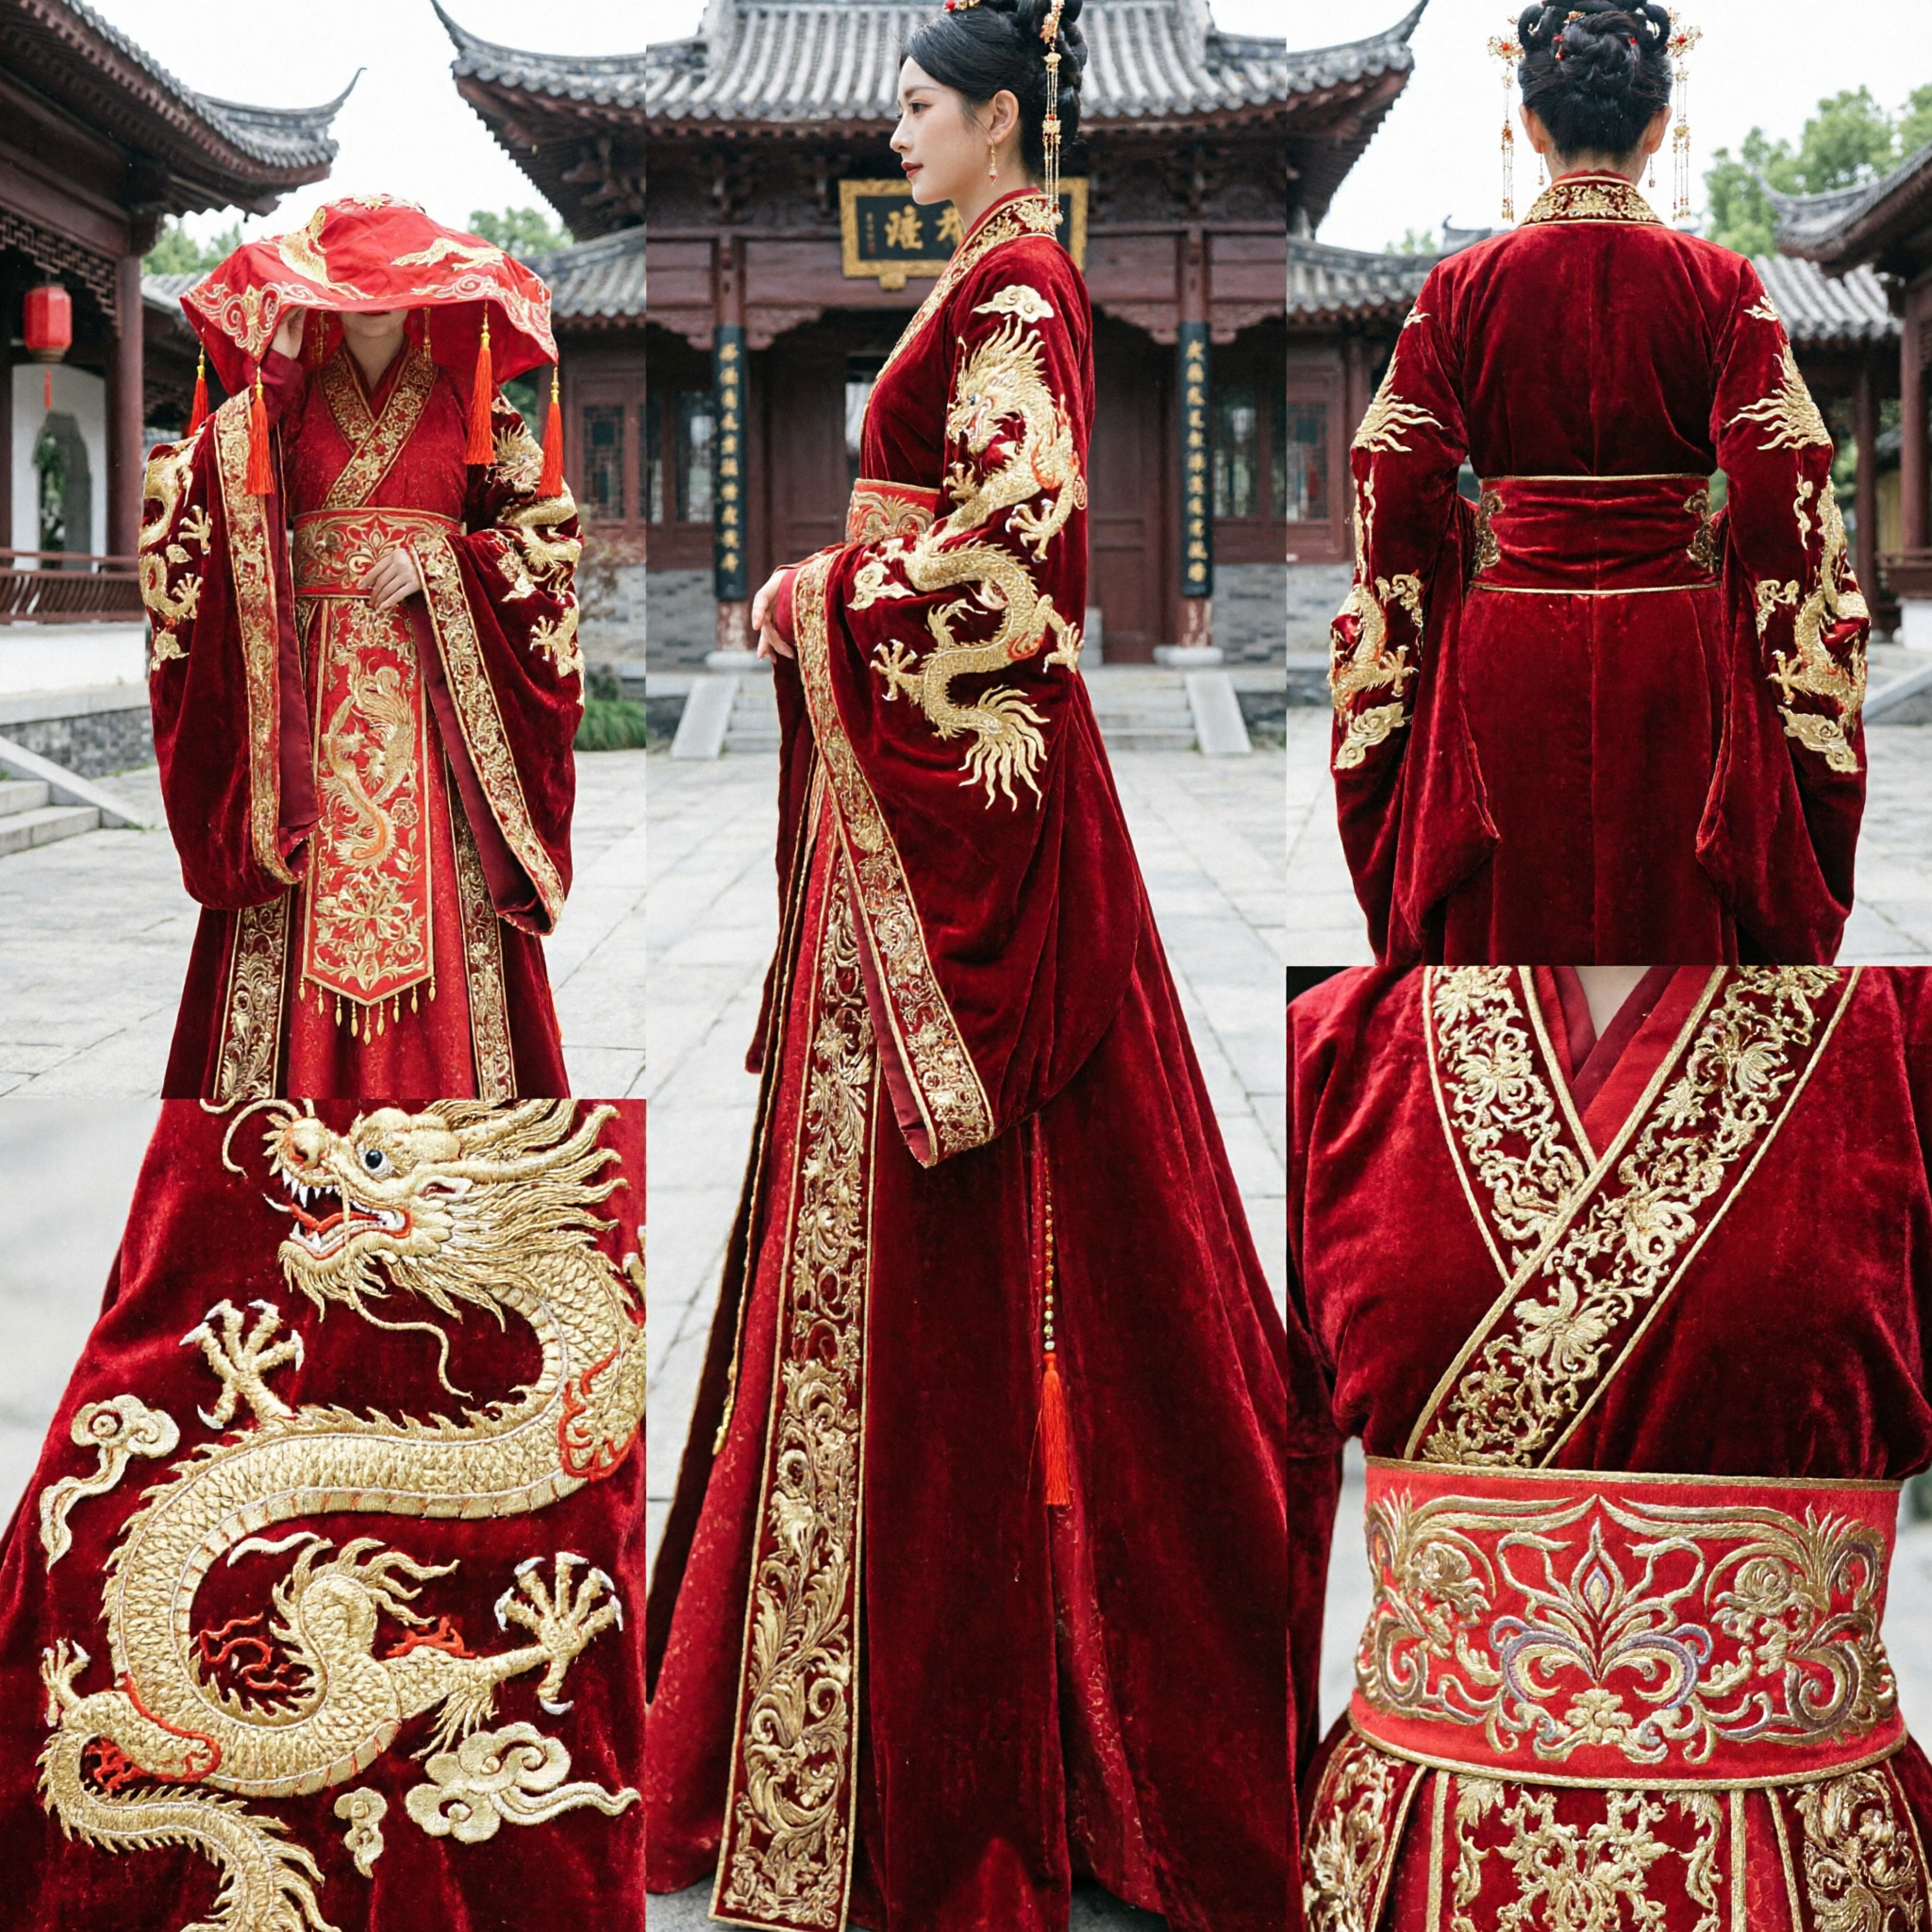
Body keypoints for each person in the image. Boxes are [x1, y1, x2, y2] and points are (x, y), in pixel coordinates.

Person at [642, 5, 1289, 1929]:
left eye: (916, 105)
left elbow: (1021, 541)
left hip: (954, 791)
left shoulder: (1017, 287)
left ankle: (976, 1718)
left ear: (1001, 116)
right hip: (917, 779)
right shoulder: (1001, 281)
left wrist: (804, 594)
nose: (890, 129)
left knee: (972, 1230)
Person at [1287, 963, 1932, 1932]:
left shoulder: (1897, 1034)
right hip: (1403, 1853)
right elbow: (1261, 1489)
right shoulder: (1338, 1044)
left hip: (1805, 1858)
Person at [0, 1100, 646, 1932]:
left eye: (373, 1166)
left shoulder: (371, 1682)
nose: (311, 1149)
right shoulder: (383, 1684)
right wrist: (548, 1648)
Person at [1328, 1, 1869, 966]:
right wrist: (1714, 559)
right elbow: (1780, 471)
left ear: (1527, 125)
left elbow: (1393, 473)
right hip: (1674, 641)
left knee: (1510, 924)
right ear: (1658, 127)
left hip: (1509, 636)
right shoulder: (1720, 283)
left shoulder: (1457, 289)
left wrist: (1481, 546)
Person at [137, 197, 585, 1099]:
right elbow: (191, 500)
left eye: (392, 281)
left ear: (424, 289)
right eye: (355, 282)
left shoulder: (471, 404)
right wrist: (284, 374)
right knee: (301, 880)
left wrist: (447, 563)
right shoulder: (283, 400)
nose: (373, 299)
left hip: (430, 686)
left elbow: (548, 538)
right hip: (303, 687)